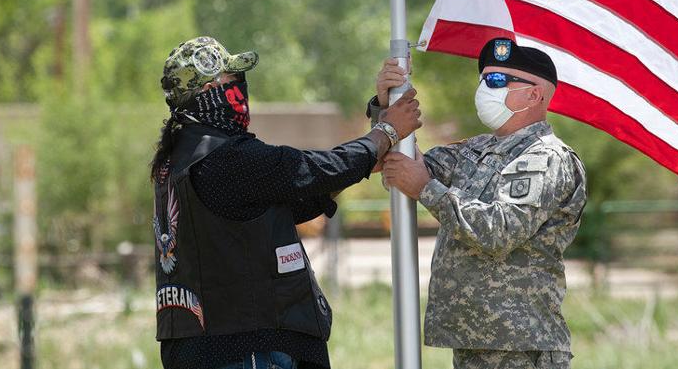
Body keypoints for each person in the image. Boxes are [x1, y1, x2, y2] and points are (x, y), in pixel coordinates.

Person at [152, 36, 422, 369]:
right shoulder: (224, 160)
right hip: (247, 350)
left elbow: (289, 204)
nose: (240, 90)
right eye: (231, 81)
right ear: (207, 92)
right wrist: (387, 131)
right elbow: (310, 170)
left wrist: (366, 158)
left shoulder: (181, 160)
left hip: (208, 347)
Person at [377, 39, 586, 369]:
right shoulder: (473, 150)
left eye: (498, 81)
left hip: (519, 346)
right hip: (473, 341)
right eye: (484, 80)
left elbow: (500, 231)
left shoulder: (547, 157)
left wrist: (425, 189)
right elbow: (394, 164)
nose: (486, 89)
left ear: (534, 94)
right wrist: (386, 103)